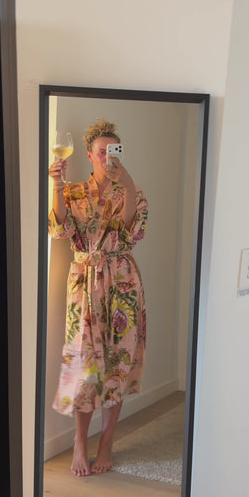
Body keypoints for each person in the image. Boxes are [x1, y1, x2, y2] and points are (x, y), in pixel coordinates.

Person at [48, 119, 148, 476]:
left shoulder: (132, 191)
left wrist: (128, 184)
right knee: (84, 365)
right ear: (89, 155)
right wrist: (57, 185)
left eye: (113, 151)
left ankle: (106, 442)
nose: (107, 157)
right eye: (101, 152)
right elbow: (59, 229)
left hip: (122, 281)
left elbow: (131, 232)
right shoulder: (74, 192)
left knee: (117, 364)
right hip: (85, 282)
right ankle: (79, 441)